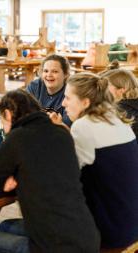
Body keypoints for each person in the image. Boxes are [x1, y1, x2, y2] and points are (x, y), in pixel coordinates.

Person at [0, 90, 100, 253]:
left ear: (8, 114)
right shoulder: (62, 133)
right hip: (88, 237)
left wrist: (16, 180)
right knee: (5, 226)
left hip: (53, 248)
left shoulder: (16, 137)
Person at [52, 72, 138, 248]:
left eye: (68, 98)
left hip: (105, 234)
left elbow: (60, 180)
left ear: (85, 102)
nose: (63, 103)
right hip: (129, 226)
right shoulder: (118, 120)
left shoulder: (83, 126)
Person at [26, 54, 71, 125]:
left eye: (55, 71)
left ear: (65, 74)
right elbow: (24, 114)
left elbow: (67, 126)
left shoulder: (70, 92)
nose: (49, 75)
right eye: (46, 71)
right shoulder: (34, 86)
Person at [101, 68, 138, 138]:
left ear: (121, 90)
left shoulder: (122, 109)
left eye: (106, 85)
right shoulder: (131, 104)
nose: (102, 89)